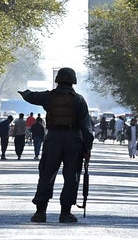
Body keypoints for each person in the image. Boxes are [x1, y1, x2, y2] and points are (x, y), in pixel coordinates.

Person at [18, 67, 94, 223]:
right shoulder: (78, 100)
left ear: (57, 79)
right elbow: (86, 127)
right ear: (73, 80)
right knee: (71, 176)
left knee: (46, 174)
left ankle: (40, 212)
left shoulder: (48, 97)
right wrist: (87, 148)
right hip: (73, 140)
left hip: (53, 139)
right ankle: (65, 213)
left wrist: (23, 92)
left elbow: (31, 96)